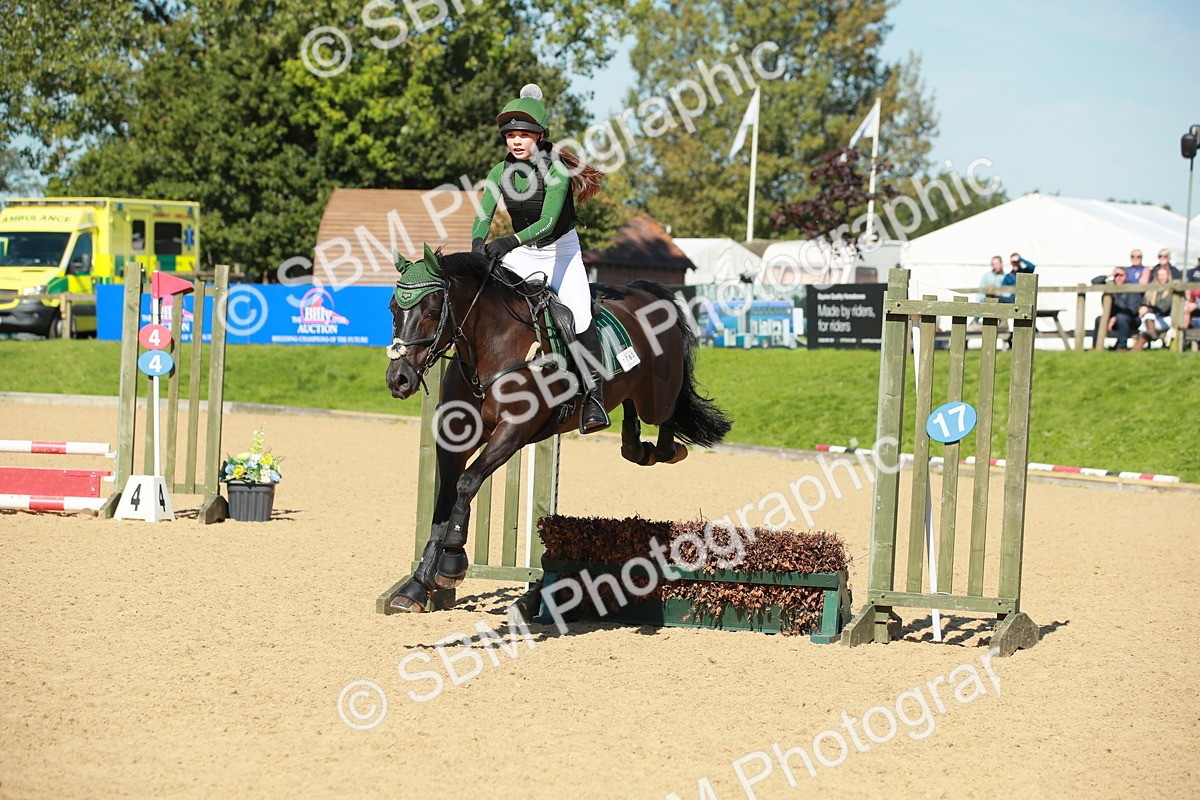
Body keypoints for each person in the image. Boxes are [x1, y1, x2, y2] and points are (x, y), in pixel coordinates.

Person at [471, 83, 609, 433]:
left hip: (560, 251)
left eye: (524, 135)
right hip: (521, 253)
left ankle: (594, 398)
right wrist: (477, 245)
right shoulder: (496, 173)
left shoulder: (557, 171)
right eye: (511, 135)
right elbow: (483, 215)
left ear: (541, 136)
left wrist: (508, 241)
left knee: (576, 315)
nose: (516, 141)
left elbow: (548, 224)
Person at [1090, 267, 1140, 350]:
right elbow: (1094, 282)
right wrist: (1109, 275)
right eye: (1116, 275)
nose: (1119, 277)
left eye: (1121, 275)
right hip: (1112, 320)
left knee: (1121, 318)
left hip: (1131, 320)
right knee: (1099, 319)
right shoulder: (1110, 285)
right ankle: (1096, 346)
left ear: (1126, 277)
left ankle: (1122, 347)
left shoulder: (1132, 287)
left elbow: (1132, 309)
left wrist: (1115, 318)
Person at [1133, 264, 1173, 350]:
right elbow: (1144, 302)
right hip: (1151, 318)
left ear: (1168, 276)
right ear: (1157, 276)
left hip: (1166, 318)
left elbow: (1164, 308)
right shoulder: (1151, 289)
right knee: (1147, 320)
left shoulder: (1171, 290)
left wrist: (1148, 309)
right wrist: (1142, 308)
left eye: (1164, 275)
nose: (1162, 277)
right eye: (1160, 275)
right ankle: (1149, 336)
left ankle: (1139, 345)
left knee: (1147, 320)